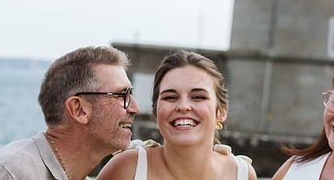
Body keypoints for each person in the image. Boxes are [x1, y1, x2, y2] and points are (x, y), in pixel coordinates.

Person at [0, 45, 140, 180]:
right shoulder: (12, 173)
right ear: (78, 109)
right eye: (121, 95)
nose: (135, 108)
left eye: (131, 94)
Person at [97, 50, 257, 180]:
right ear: (156, 112)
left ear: (221, 112)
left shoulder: (241, 175)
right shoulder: (126, 170)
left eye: (198, 97)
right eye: (170, 97)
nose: (183, 106)